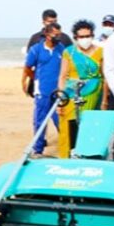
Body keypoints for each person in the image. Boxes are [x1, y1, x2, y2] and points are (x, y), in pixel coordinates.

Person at [57, 19, 108, 158]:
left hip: (93, 94)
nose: (85, 39)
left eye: (88, 36)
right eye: (82, 37)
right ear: (75, 38)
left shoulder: (101, 52)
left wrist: (104, 101)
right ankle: (65, 158)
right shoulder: (69, 53)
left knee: (88, 128)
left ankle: (86, 157)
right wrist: (60, 100)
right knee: (67, 127)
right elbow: (62, 77)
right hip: (71, 94)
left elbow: (105, 78)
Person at [22, 23, 64, 157]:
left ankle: (66, 148)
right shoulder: (36, 50)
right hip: (42, 92)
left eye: (59, 35)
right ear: (47, 35)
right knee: (40, 121)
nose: (58, 37)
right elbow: (28, 68)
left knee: (61, 121)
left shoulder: (61, 49)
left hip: (58, 93)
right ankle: (38, 149)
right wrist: (35, 80)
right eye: (55, 35)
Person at [25, 9, 73, 96]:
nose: (53, 24)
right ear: (43, 22)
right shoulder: (35, 38)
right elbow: (28, 65)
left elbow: (71, 60)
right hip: (40, 84)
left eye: (55, 21)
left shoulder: (64, 38)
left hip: (60, 84)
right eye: (50, 21)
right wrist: (28, 80)